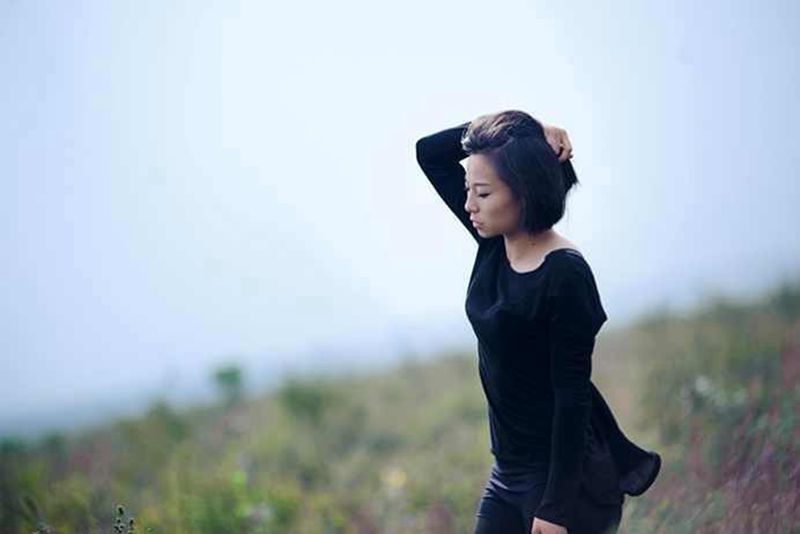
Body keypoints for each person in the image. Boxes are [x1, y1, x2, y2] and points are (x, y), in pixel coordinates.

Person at [414, 110, 661, 534]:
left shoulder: (565, 275)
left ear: (524, 191)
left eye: (482, 193)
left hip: (564, 482)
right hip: (507, 473)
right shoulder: (495, 243)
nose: (469, 205)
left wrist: (555, 509)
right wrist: (525, 128)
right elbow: (430, 153)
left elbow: (572, 400)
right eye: (468, 190)